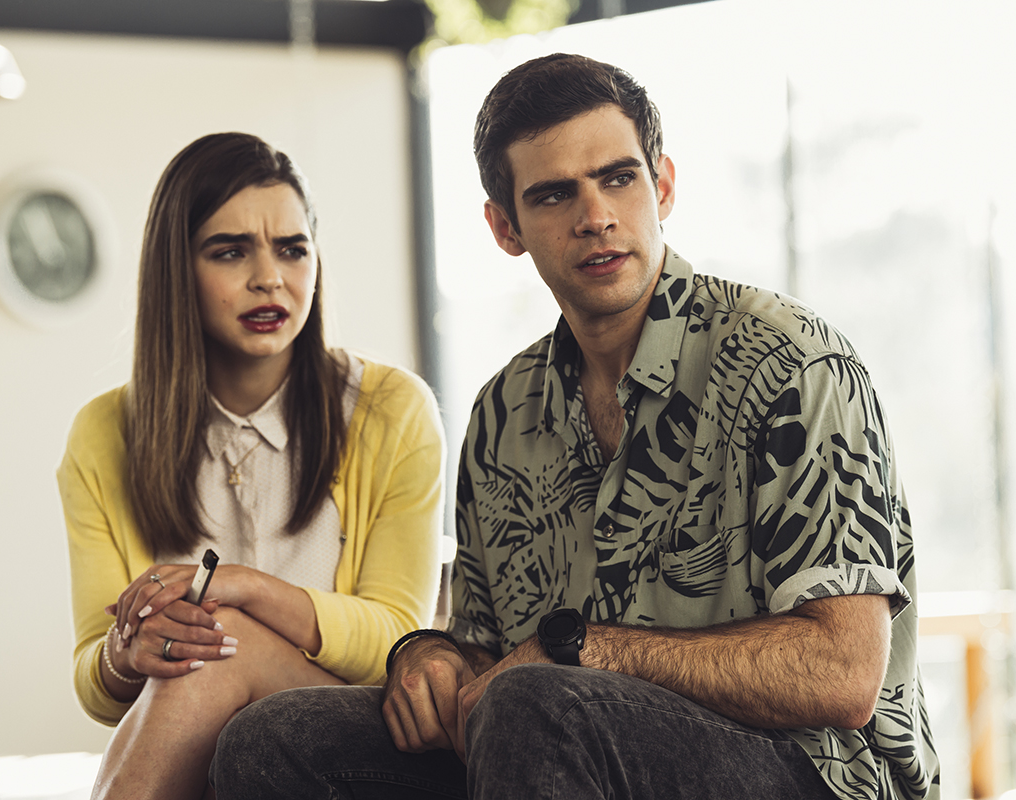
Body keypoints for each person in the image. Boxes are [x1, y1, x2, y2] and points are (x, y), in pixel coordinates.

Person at [211, 54, 940, 800]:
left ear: (663, 186)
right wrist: (428, 659)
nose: (596, 217)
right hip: (554, 744)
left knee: (535, 704)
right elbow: (489, 655)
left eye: (618, 178)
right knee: (276, 737)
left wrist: (584, 650)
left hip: (814, 772)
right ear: (506, 227)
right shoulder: (503, 411)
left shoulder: (789, 363)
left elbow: (843, 672)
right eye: (555, 194)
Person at [57, 132, 445, 800]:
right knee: (210, 655)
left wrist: (245, 590)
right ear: (176, 269)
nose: (269, 277)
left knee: (220, 643)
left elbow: (397, 638)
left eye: (293, 249)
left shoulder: (391, 408)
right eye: (230, 251)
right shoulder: (102, 433)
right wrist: (129, 648)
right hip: (201, 743)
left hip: (357, 740)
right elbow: (97, 679)